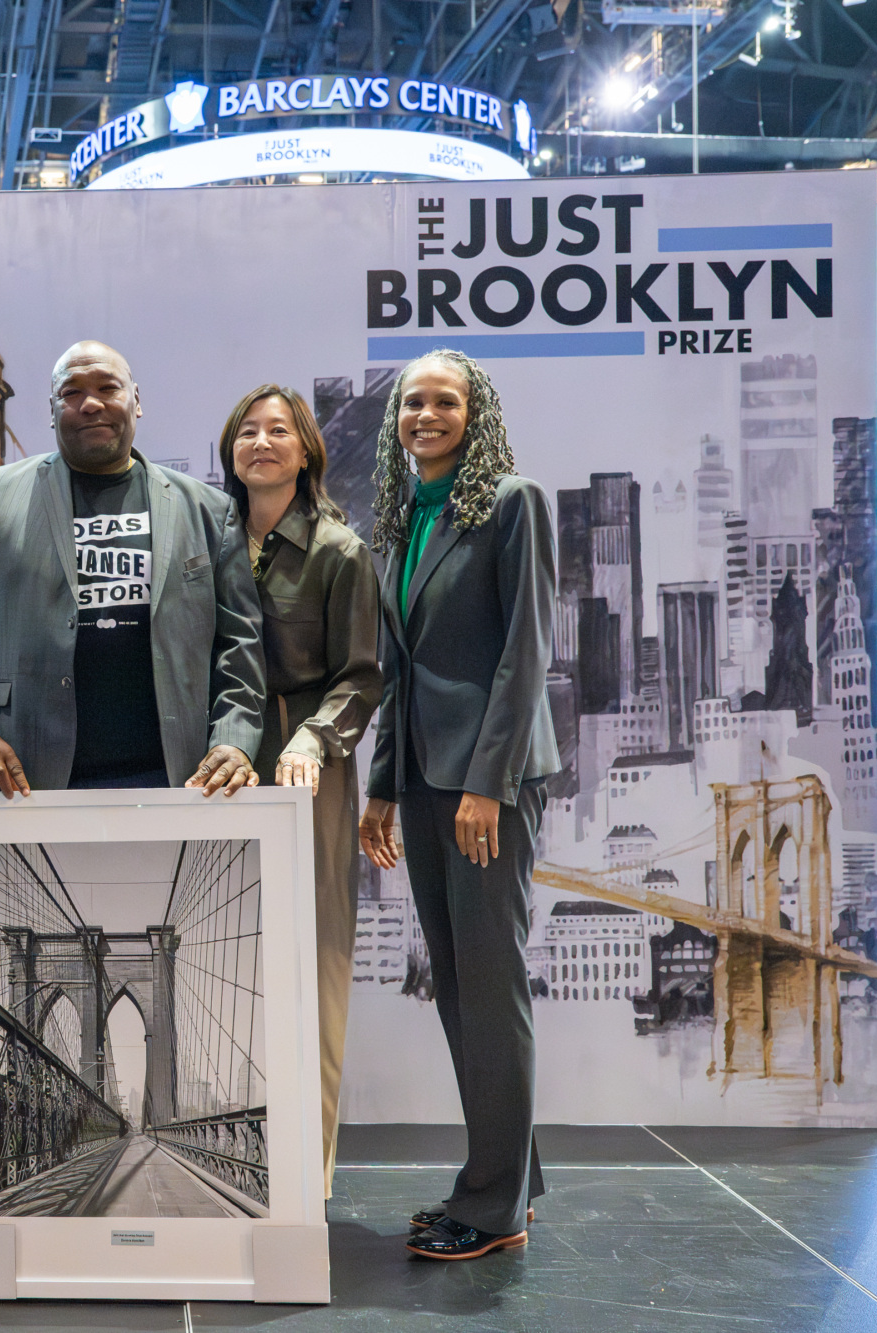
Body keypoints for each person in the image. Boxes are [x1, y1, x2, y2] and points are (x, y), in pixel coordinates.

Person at [356, 349, 559, 1262]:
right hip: (427, 780)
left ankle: (493, 1205)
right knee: (460, 988)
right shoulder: (402, 520)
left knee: (490, 983)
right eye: (413, 402)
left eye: (445, 401)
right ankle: (507, 1173)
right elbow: (398, 672)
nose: (425, 415)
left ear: (475, 414)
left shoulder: (513, 501)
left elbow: (525, 655)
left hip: (487, 784)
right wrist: (381, 786)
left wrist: (489, 782)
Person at [0, 340, 265, 797]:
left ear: (136, 401)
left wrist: (235, 740)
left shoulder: (207, 509)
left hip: (181, 777)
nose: (91, 404)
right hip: (27, 774)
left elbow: (240, 642)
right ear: (52, 409)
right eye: (71, 392)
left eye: (108, 387)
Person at [216, 384, 382, 1196]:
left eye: (279, 429)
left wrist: (312, 741)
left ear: (307, 449)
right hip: (217, 765)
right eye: (248, 430)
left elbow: (360, 676)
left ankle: (306, 1174)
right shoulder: (206, 539)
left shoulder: (338, 551)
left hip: (305, 762)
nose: (262, 441)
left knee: (313, 959)